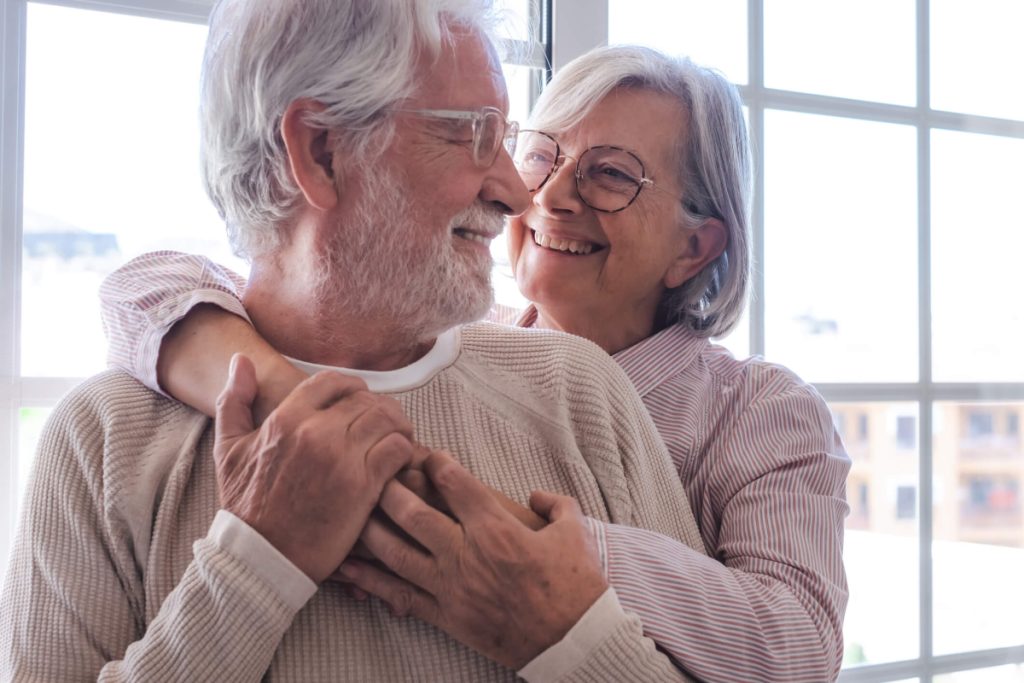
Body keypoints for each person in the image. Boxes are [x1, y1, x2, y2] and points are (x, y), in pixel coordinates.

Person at [90, 44, 851, 683]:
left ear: (696, 247)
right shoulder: (432, 346)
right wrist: (289, 400)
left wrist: (549, 555)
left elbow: (798, 642)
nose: (543, 195)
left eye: (612, 174)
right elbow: (143, 285)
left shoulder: (758, 410)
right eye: (542, 155)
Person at [0, 2, 710, 681]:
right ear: (320, 150)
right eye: (474, 134)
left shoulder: (580, 393)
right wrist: (252, 569)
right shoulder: (103, 438)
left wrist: (568, 640)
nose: (515, 192)